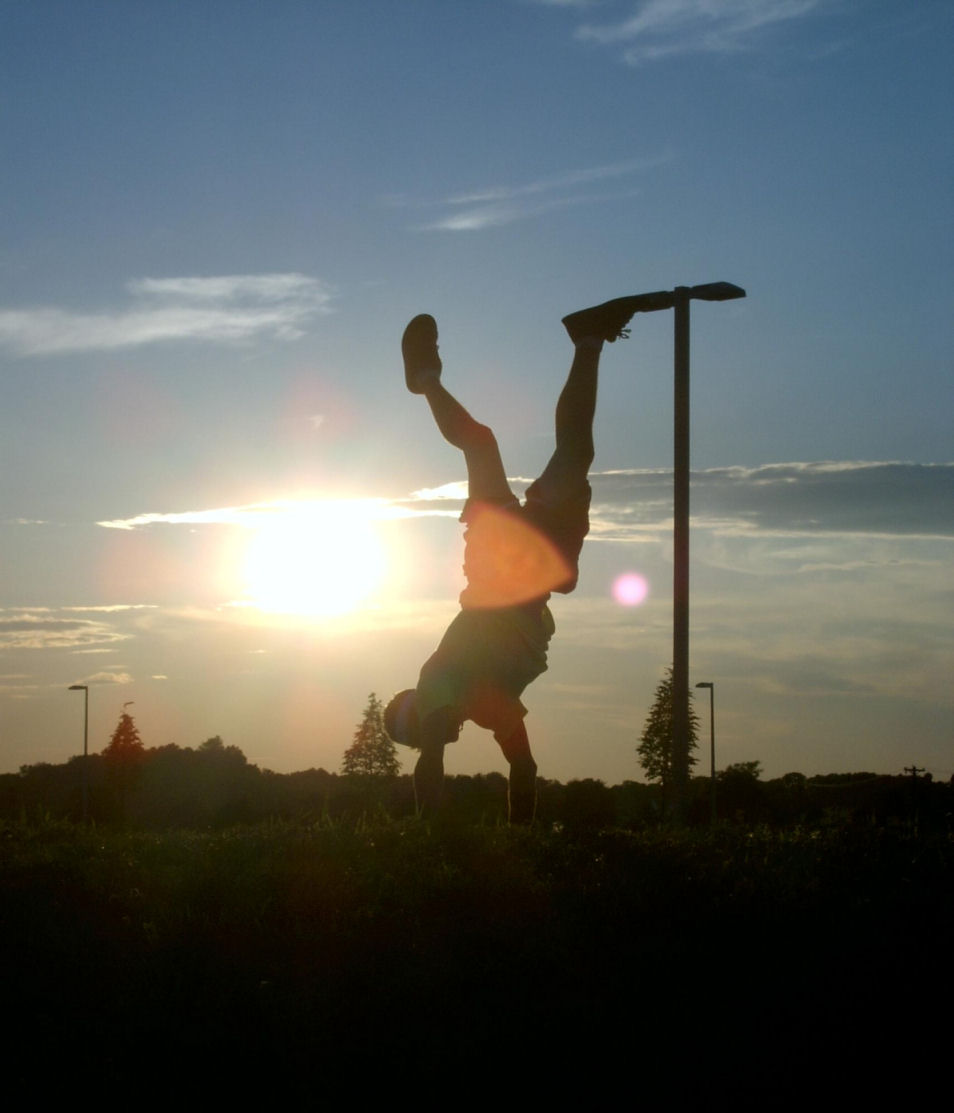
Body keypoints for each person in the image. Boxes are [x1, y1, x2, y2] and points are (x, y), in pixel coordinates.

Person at [384, 297, 645, 822]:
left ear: (419, 710)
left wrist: (427, 836)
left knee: (482, 446)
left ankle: (426, 380)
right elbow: (524, 768)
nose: (442, 734)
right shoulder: (491, 710)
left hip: (496, 571)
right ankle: (588, 339)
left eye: (423, 729)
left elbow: (432, 759)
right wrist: (522, 842)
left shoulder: (439, 682)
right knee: (573, 454)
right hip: (533, 574)